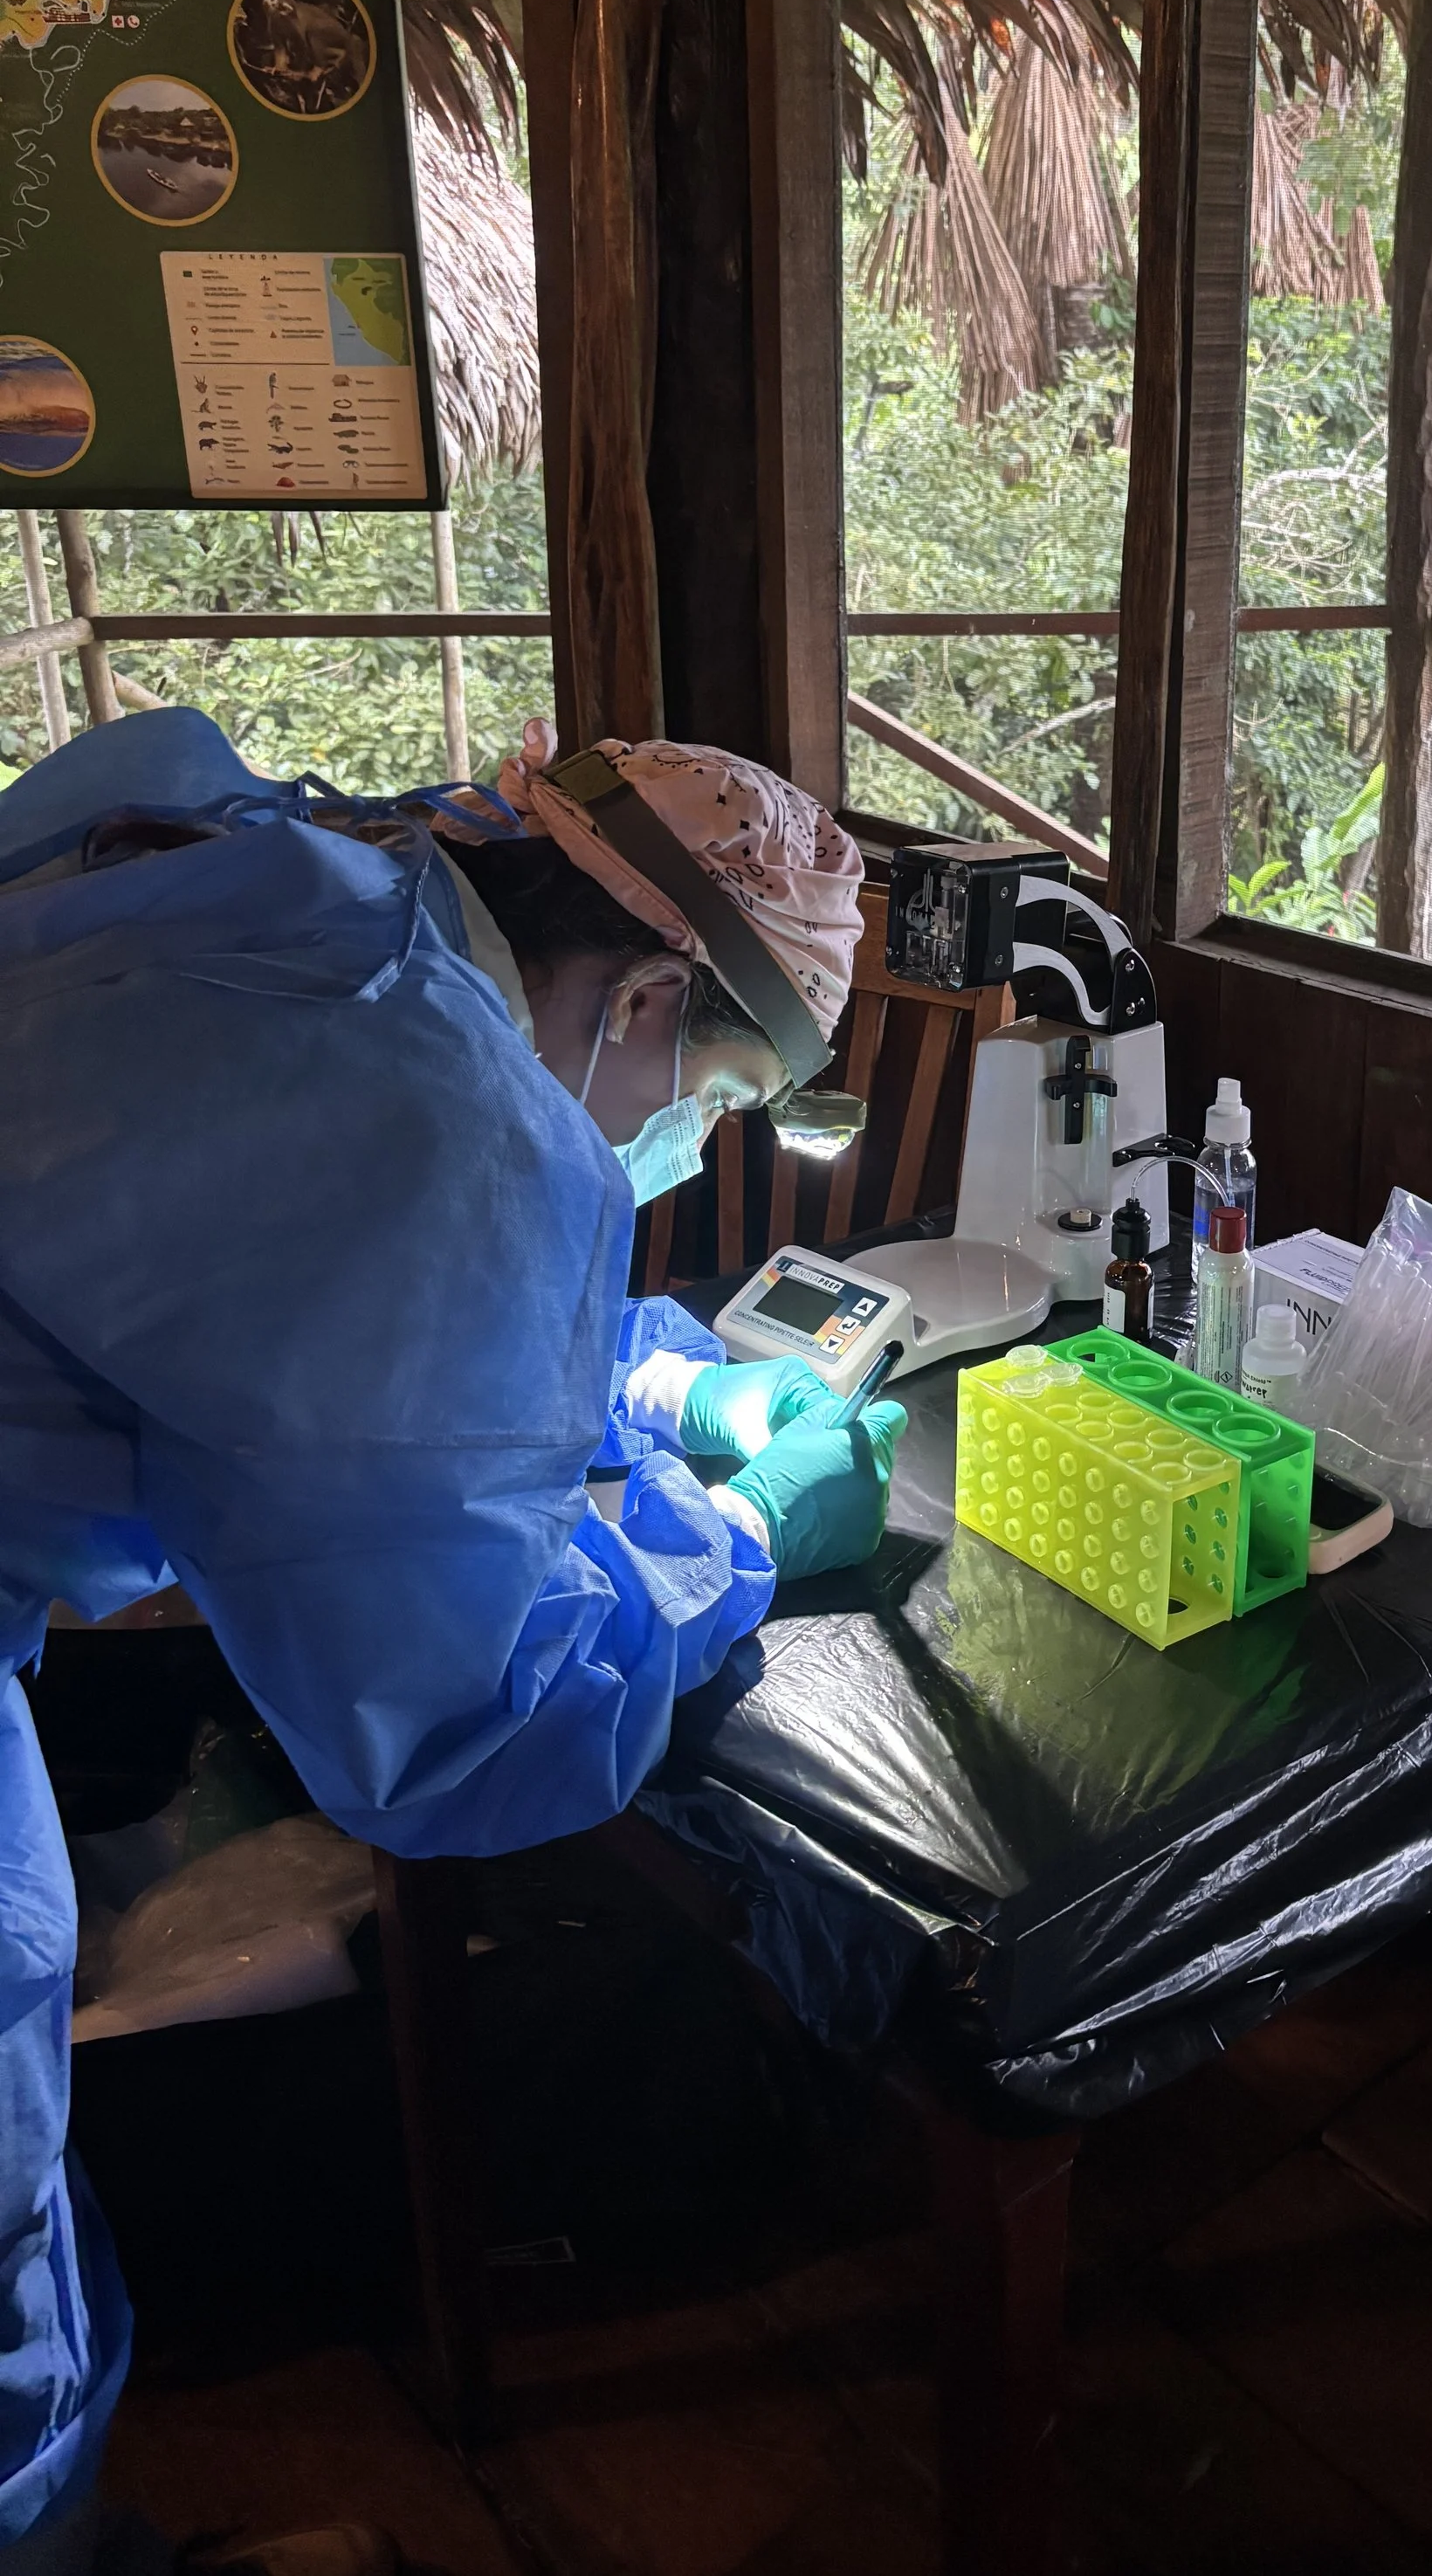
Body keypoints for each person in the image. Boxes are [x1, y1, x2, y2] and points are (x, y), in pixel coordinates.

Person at [0, 707, 907, 2573]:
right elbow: (457, 1724)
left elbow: (267, 1277)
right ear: (651, 987)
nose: (692, 1136)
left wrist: (643, 1373)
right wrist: (733, 1535)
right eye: (720, 1090)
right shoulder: (440, 1112)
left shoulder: (273, 865)